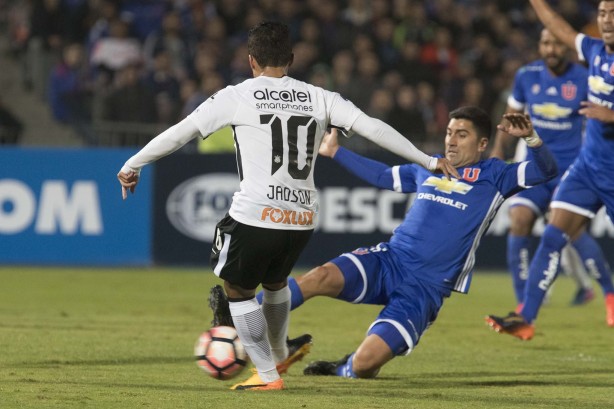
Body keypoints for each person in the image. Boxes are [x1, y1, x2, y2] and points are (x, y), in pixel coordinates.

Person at [117, 21, 457, 391]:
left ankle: (266, 375)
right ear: (291, 60)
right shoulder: (320, 96)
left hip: (257, 211)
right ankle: (278, 354)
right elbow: (372, 127)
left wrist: (133, 163)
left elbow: (181, 131)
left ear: (251, 60)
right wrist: (426, 160)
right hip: (301, 217)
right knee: (276, 283)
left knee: (236, 290)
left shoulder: (238, 95)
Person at [214, 106, 557, 379]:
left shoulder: (497, 175)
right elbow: (383, 176)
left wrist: (533, 139)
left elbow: (546, 171)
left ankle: (343, 367)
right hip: (390, 260)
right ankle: (236, 316)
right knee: (319, 276)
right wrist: (336, 152)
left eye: (462, 135)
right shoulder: (430, 167)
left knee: (365, 365)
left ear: (482, 144)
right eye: (449, 132)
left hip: (424, 288)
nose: (451, 141)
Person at [486, 0, 614, 340]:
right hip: (587, 168)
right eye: (602, 13)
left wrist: (611, 115)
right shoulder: (595, 50)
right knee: (554, 235)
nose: (608, 20)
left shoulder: (582, 71)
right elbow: (560, 26)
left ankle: (609, 293)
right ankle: (525, 315)